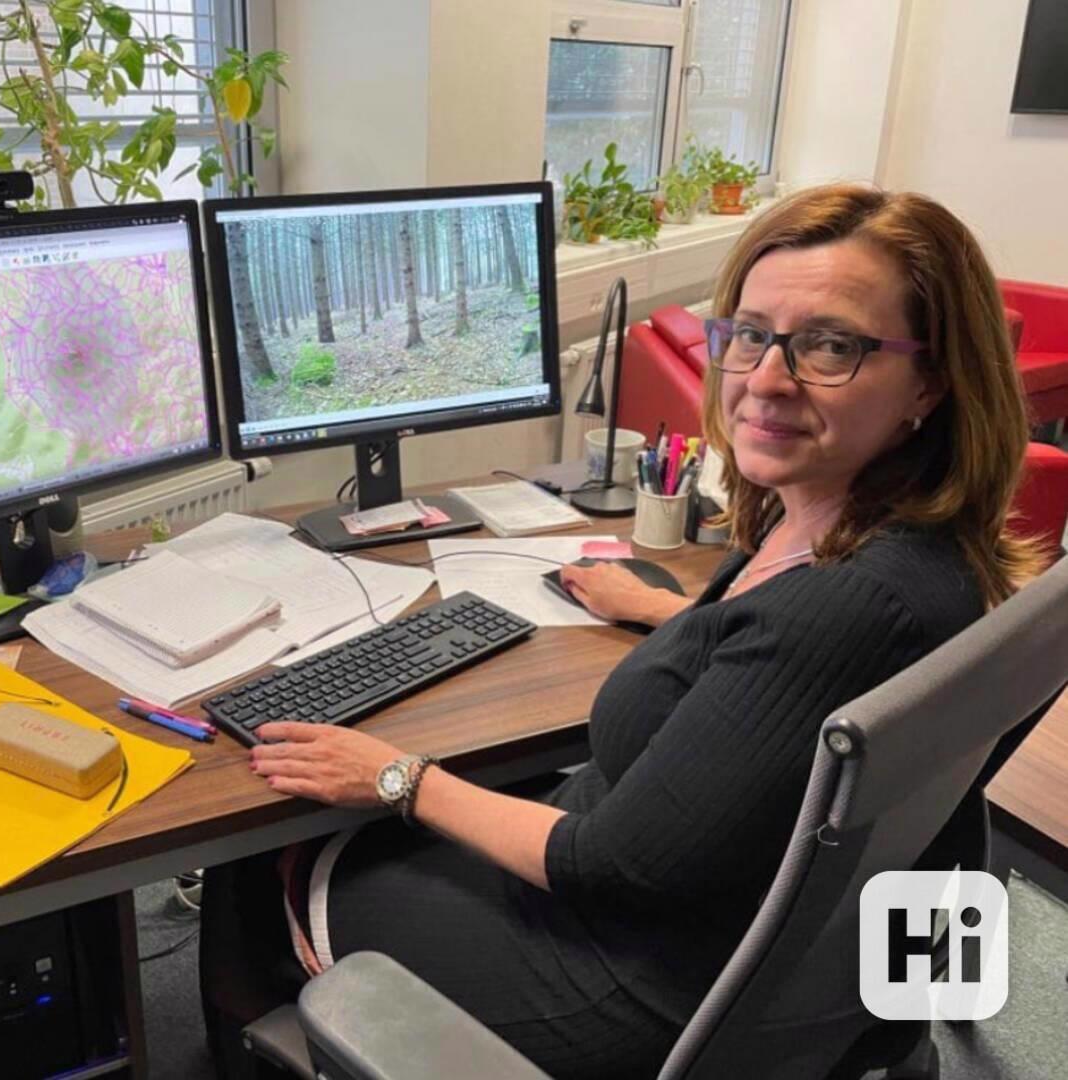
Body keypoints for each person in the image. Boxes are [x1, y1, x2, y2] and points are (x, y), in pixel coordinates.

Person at [198, 185, 1046, 1079]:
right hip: (758, 953)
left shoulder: (851, 605)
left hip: (626, 984)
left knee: (268, 846)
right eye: (749, 334)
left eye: (832, 346)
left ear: (931, 382)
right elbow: (788, 677)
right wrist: (670, 615)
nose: (765, 379)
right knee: (400, 814)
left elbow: (611, 867)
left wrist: (396, 775)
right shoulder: (891, 546)